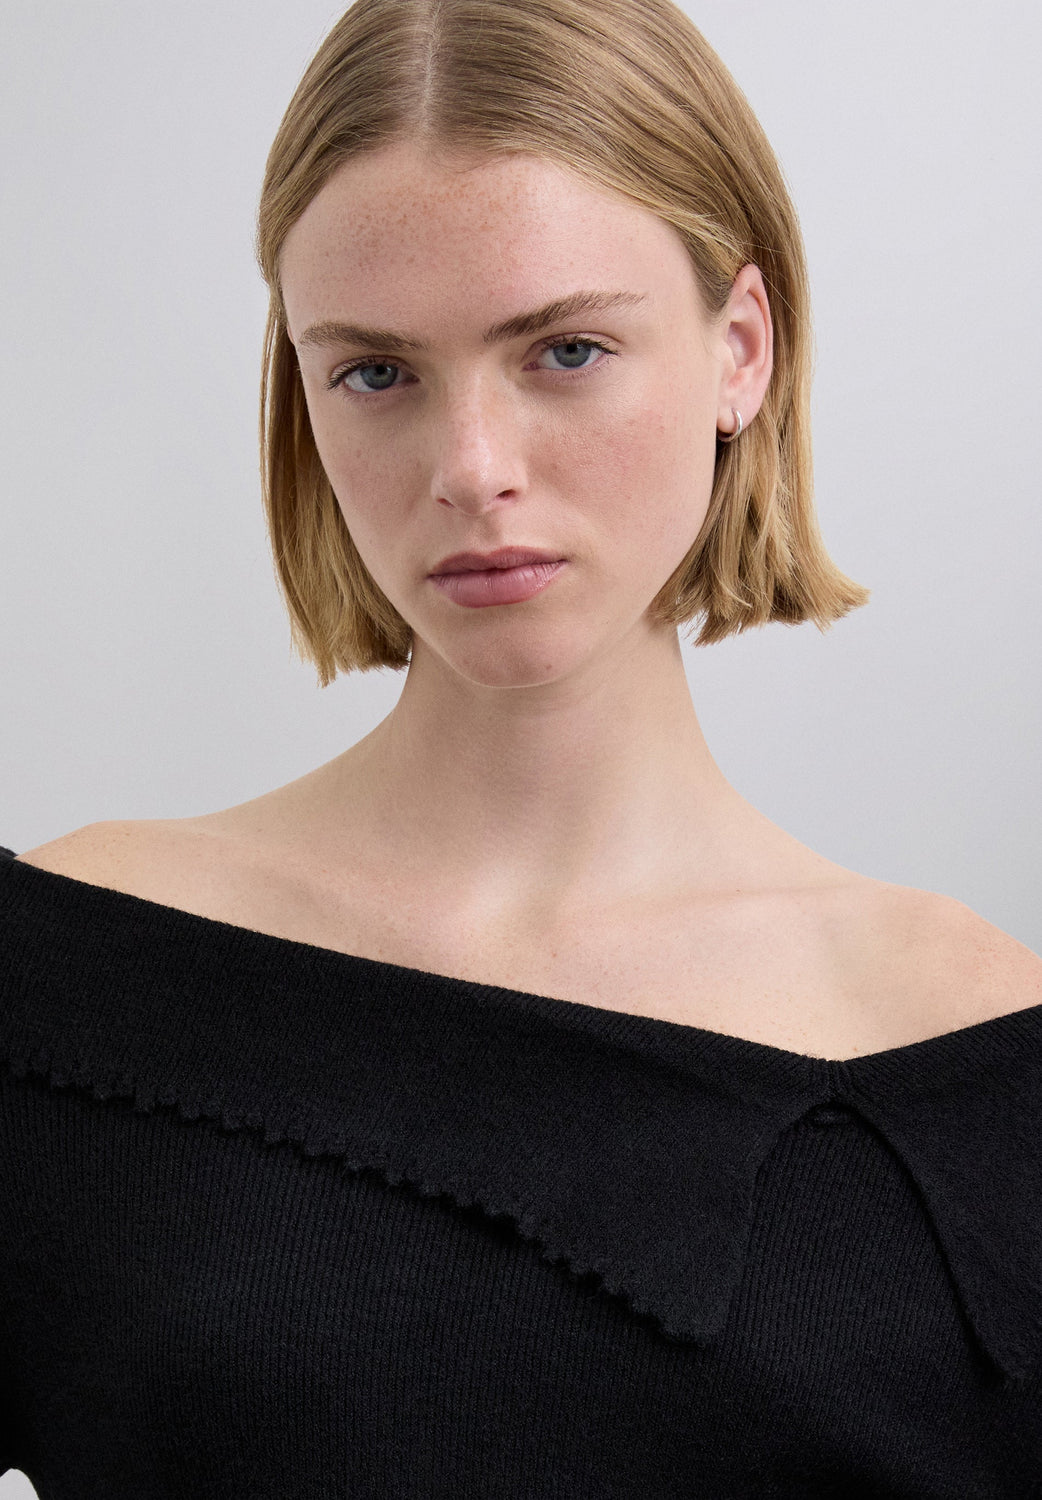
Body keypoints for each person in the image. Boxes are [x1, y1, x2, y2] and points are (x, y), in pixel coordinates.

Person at [2, 0, 1041, 1494]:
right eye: (375, 373)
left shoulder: (974, 1046)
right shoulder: (64, 983)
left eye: (564, 349)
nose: (470, 469)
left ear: (740, 349)